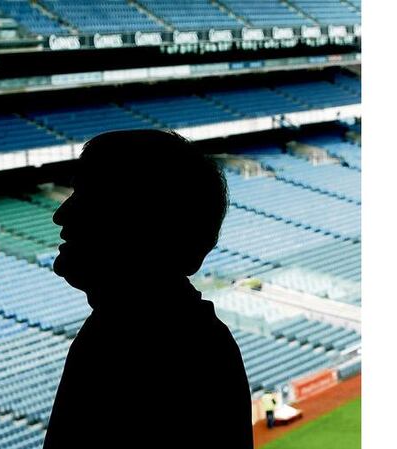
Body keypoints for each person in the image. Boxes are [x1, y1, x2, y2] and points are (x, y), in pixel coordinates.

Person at [43, 130, 253, 449]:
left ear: (138, 223)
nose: (61, 214)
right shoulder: (185, 338)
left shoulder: (145, 347)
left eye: (86, 196)